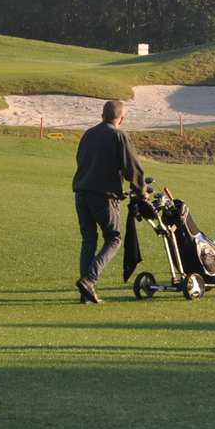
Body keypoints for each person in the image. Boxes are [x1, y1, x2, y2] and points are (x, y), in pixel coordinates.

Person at [71, 99, 147, 303]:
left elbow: (81, 161)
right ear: (121, 119)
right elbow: (132, 168)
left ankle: (86, 295)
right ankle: (90, 279)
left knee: (89, 239)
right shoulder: (119, 136)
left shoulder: (88, 134)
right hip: (103, 197)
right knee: (114, 239)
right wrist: (141, 192)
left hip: (81, 193)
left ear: (102, 115)